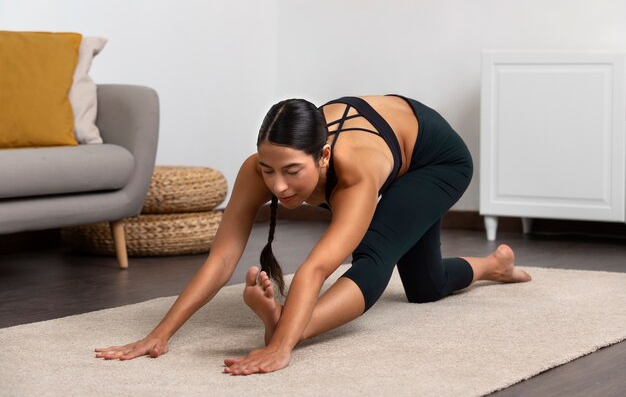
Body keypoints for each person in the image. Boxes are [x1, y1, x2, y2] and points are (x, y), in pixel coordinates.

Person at [95, 94, 531, 375]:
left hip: (437, 161)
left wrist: (283, 343)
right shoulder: (260, 169)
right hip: (396, 149)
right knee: (425, 286)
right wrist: (161, 333)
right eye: (268, 169)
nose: (277, 186)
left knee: (375, 253)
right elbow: (222, 258)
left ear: (322, 156)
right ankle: (495, 264)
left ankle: (287, 326)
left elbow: (319, 266)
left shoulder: (355, 173)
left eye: (291, 172)